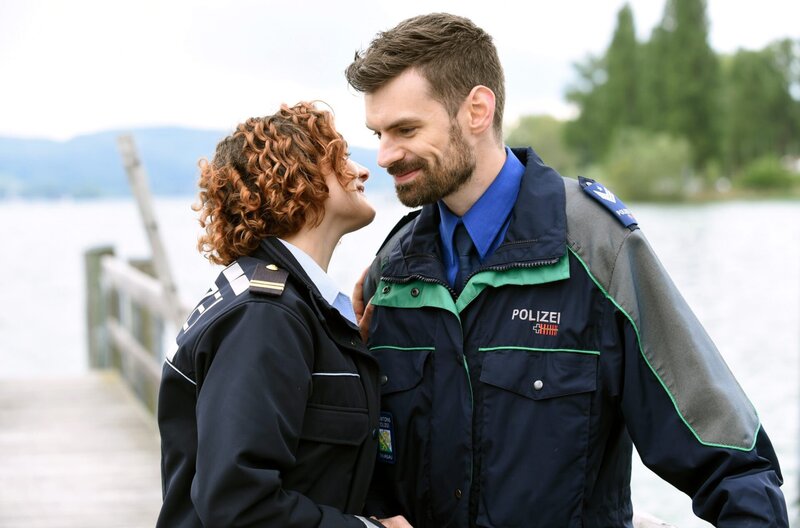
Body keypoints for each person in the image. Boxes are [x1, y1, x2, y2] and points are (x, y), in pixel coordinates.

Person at [345, 13, 789, 528]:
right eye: (378, 133)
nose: (383, 155)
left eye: (405, 129)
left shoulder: (600, 248)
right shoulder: (393, 272)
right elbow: (366, 459)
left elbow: (730, 460)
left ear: (477, 110)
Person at [156, 102, 409, 527]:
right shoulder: (266, 314)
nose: (363, 171)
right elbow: (239, 504)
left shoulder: (282, 302)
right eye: (341, 157)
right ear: (296, 178)